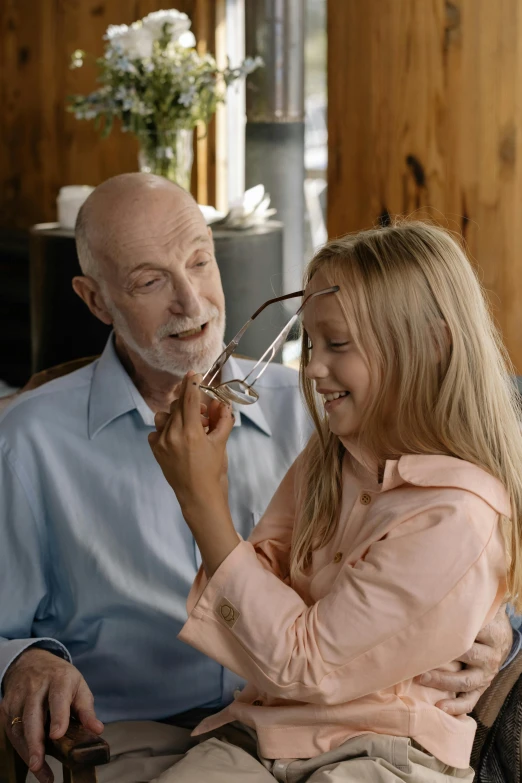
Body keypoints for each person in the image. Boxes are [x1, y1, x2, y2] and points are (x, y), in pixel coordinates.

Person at [0, 178, 513, 783]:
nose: (191, 303)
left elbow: (452, 550)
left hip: (348, 733)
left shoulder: (327, 409)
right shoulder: (27, 438)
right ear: (96, 300)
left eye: (199, 261)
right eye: (149, 280)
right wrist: (22, 663)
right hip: (132, 736)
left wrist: (495, 623)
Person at [148, 220, 522, 782]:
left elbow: (302, 662)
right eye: (311, 342)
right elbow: (256, 614)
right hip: (261, 732)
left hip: (385, 754)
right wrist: (210, 479)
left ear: (432, 344)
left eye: (338, 344)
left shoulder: (458, 511)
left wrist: (202, 500)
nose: (315, 367)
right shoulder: (332, 456)